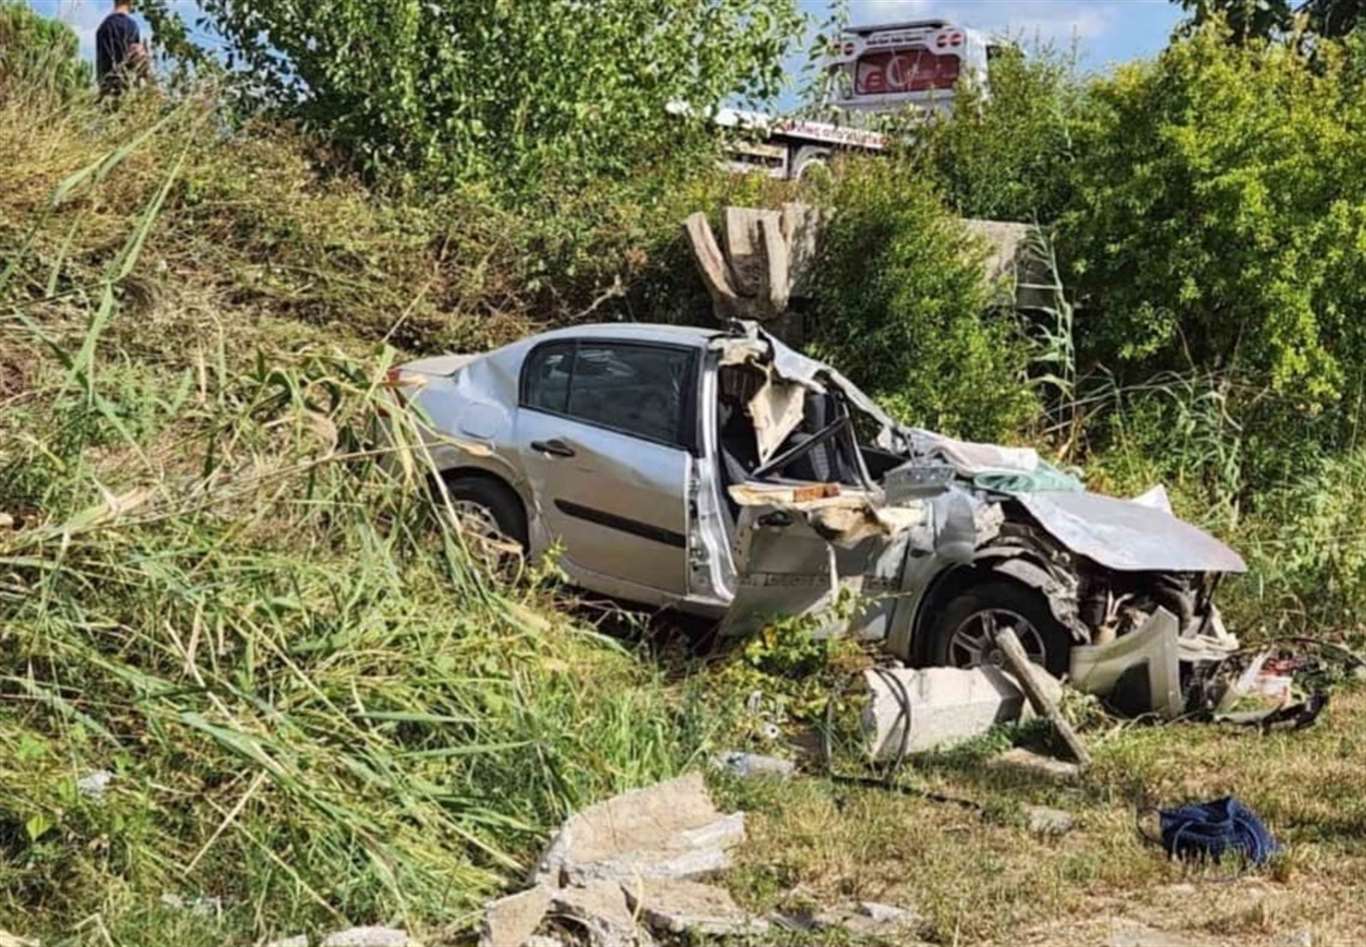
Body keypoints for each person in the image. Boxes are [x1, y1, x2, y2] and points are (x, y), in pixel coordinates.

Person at [96, 0, 149, 98]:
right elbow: (136, 62)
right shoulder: (132, 27)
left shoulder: (103, 27)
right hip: (127, 91)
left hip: (106, 92)